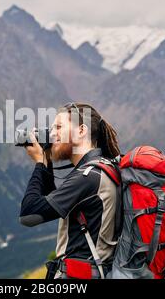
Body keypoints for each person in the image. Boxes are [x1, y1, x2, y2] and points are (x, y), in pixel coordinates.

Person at [19, 102, 121, 279]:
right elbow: (51, 200)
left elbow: (29, 214)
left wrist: (39, 162)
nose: (52, 134)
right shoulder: (102, 169)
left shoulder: (88, 176)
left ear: (81, 131)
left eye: (58, 127)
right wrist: (47, 160)